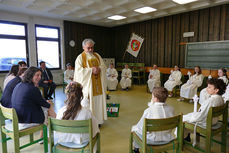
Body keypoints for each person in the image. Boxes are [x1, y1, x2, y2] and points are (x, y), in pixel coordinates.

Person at [55, 82, 99, 152]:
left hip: (63, 141)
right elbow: (94, 129)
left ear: (67, 95)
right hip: (81, 143)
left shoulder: (60, 112)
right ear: (81, 96)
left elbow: (56, 132)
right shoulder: (87, 113)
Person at [74, 38, 107, 125]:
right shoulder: (80, 58)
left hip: (98, 86)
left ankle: (99, 121)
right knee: (89, 104)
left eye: (92, 47)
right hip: (88, 87)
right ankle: (90, 122)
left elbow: (104, 66)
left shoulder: (97, 56)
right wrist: (91, 70)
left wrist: (99, 68)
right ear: (83, 47)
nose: (90, 50)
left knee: (98, 103)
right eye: (88, 48)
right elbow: (78, 72)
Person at [131, 87, 174, 153]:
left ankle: (136, 149)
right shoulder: (171, 109)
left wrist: (135, 128)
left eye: (152, 96)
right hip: (167, 139)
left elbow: (141, 127)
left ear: (155, 99)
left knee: (134, 129)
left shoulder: (149, 110)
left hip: (152, 140)